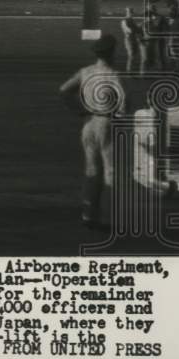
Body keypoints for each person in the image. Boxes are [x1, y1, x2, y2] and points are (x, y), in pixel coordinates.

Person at [59, 34, 126, 228]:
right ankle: (111, 216)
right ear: (112, 53)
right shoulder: (114, 75)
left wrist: (79, 110)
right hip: (107, 122)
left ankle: (89, 214)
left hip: (89, 123)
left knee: (91, 168)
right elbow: (123, 105)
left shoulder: (86, 72)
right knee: (111, 170)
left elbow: (64, 90)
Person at [120, 7, 145, 73]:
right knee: (131, 55)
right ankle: (129, 71)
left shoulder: (131, 20)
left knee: (134, 55)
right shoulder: (124, 21)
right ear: (126, 13)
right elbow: (130, 30)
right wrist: (138, 26)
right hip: (129, 40)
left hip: (133, 39)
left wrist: (140, 25)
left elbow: (136, 29)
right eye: (129, 12)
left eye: (131, 12)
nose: (131, 14)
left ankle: (131, 69)